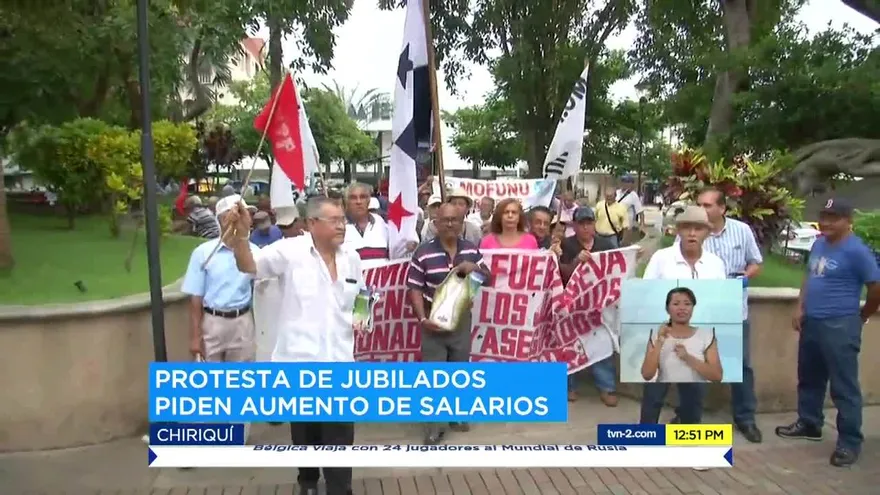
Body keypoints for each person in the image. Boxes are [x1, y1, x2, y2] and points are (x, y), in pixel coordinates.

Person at [226, 196, 365, 495]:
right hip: (298, 363)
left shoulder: (352, 257)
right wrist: (241, 236)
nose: (342, 226)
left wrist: (362, 317)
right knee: (306, 434)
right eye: (334, 220)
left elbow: (361, 297)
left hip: (340, 363)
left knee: (341, 436)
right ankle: (308, 482)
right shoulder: (289, 252)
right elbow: (249, 266)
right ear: (312, 224)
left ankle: (340, 489)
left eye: (343, 220)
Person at [776, 198, 880, 468]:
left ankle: (849, 443)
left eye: (834, 218)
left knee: (843, 386)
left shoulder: (857, 251)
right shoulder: (819, 244)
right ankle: (809, 423)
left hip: (840, 325)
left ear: (848, 221)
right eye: (824, 216)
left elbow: (875, 287)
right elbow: (809, 276)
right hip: (812, 321)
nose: (826, 222)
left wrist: (863, 315)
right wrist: (800, 307)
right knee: (809, 377)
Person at [407, 203, 488, 445]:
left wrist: (474, 268)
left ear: (462, 222)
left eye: (455, 220)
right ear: (436, 223)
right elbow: (414, 289)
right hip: (433, 320)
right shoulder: (422, 252)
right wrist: (422, 319)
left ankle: (456, 415)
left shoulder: (471, 250)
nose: (450, 224)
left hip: (461, 320)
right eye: (445, 220)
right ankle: (433, 426)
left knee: (459, 370)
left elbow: (488, 277)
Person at [689, 186, 764, 443]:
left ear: (722, 208)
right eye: (699, 204)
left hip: (734, 312)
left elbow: (756, 262)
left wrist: (746, 276)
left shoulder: (741, 231)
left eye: (707, 205)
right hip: (699, 314)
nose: (702, 209)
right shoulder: (690, 231)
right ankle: (688, 416)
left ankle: (745, 418)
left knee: (740, 367)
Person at [558, 206, 618, 405]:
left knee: (602, 343)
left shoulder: (606, 243)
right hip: (573, 304)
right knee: (568, 344)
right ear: (574, 226)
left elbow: (617, 266)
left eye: (589, 223)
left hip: (598, 305)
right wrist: (576, 261)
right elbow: (561, 273)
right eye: (581, 224)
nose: (585, 227)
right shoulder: (566, 245)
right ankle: (569, 386)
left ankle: (607, 387)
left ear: (594, 224)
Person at [639, 287, 723, 424]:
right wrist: (660, 340)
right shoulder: (657, 334)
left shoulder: (706, 336)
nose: (682, 308)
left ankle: (684, 424)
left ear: (693, 308)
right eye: (676, 304)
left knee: (694, 388)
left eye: (687, 304)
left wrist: (688, 358)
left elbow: (717, 375)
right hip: (661, 381)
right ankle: (647, 433)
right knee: (653, 388)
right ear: (667, 309)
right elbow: (647, 374)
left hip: (693, 384)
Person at [642, 206, 726, 280]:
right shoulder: (661, 258)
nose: (692, 233)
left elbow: (721, 295)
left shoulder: (715, 264)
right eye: (686, 228)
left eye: (698, 229)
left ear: (707, 233)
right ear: (678, 231)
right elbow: (647, 291)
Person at [342, 182, 391, 269]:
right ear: (346, 202)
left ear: (368, 201)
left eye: (363, 197)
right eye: (353, 198)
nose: (358, 202)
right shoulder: (339, 226)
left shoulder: (382, 224)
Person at [616, 175, 644, 244]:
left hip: (627, 225)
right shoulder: (616, 193)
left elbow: (640, 211)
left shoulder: (633, 195)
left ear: (631, 184)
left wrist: (642, 224)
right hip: (615, 223)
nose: (625, 184)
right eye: (623, 181)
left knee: (624, 244)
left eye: (627, 182)